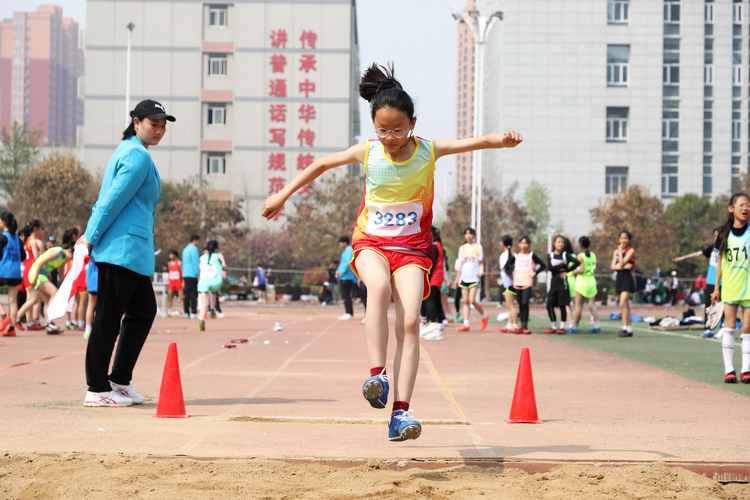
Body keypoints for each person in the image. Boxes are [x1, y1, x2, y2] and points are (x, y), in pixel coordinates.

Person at [261, 62, 522, 441]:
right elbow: (320, 164)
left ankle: (401, 413)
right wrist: (282, 195)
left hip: (414, 250)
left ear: (412, 124)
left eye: (398, 129)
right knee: (378, 290)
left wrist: (503, 139)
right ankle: (376, 376)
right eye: (382, 130)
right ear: (374, 127)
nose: (390, 137)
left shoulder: (429, 151)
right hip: (371, 242)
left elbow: (474, 142)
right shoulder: (368, 151)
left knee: (411, 321)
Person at [77, 98, 173, 407]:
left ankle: (119, 380)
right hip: (122, 250)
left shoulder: (133, 152)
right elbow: (112, 200)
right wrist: (89, 237)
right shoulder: (136, 156)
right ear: (136, 122)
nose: (158, 131)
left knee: (144, 311)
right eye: (152, 124)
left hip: (132, 252)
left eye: (162, 126)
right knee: (108, 319)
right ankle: (96, 387)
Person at [711, 193, 750, 384]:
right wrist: (716, 288)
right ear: (731, 208)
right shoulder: (723, 234)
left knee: (748, 327)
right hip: (731, 287)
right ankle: (729, 371)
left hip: (749, 286)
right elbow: (719, 262)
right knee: (730, 327)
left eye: (748, 205)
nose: (746, 208)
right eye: (742, 205)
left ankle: (746, 370)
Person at [672, 227, 722, 338]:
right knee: (709, 306)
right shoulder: (713, 248)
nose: (715, 238)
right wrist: (683, 257)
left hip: (724, 282)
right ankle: (709, 329)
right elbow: (698, 254)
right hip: (711, 281)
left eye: (717, 235)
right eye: (714, 236)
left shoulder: (729, 248)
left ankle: (723, 328)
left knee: (724, 306)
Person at [20, 244, 74, 334]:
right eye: (72, 256)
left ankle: (49, 326)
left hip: (42, 275)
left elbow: (60, 273)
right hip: (37, 274)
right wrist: (34, 278)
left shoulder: (64, 258)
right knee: (54, 293)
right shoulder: (57, 253)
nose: (71, 259)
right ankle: (48, 322)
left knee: (47, 300)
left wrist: (64, 287)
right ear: (69, 251)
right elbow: (40, 262)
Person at [508, 236, 545, 334]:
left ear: (529, 245)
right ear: (519, 244)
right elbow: (508, 264)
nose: (524, 245)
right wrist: (513, 270)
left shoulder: (531, 255)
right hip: (517, 282)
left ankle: (525, 326)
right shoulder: (516, 255)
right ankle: (521, 326)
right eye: (522, 243)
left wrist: (535, 273)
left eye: (526, 243)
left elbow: (543, 264)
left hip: (527, 282)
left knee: (525, 303)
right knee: (520, 303)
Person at [454, 227, 488, 332]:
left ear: (473, 235)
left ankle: (484, 315)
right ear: (464, 236)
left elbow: (481, 263)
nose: (468, 236)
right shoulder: (462, 248)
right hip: (464, 277)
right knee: (465, 301)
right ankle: (466, 324)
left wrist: (481, 271)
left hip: (474, 277)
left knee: (472, 300)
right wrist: (457, 279)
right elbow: (461, 265)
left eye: (470, 234)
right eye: (466, 234)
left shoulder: (478, 247)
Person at [543, 235, 579, 334]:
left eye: (562, 242)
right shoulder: (550, 255)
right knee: (549, 304)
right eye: (558, 242)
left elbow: (577, 262)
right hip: (554, 284)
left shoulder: (565, 255)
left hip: (563, 284)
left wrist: (567, 271)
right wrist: (562, 266)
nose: (561, 244)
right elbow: (550, 268)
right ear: (554, 243)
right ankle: (553, 326)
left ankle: (562, 327)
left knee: (563, 305)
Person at [570, 236, 600, 333]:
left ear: (579, 244)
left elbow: (581, 270)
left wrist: (574, 272)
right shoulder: (593, 255)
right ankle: (597, 325)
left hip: (582, 282)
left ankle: (575, 327)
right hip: (591, 281)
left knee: (578, 306)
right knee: (592, 305)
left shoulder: (580, 256)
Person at [0, 212, 23, 337]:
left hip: (3, 270)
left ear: (3, 222)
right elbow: (23, 256)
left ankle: (4, 316)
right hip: (16, 272)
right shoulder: (17, 239)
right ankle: (11, 329)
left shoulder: (2, 237)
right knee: (12, 301)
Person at [422, 226, 446, 340]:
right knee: (436, 301)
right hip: (438, 277)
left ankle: (433, 326)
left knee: (429, 300)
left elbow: (432, 264)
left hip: (434, 277)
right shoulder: (439, 246)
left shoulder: (434, 247)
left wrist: (427, 278)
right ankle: (440, 324)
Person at [19, 220, 44, 330]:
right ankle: (18, 317)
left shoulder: (28, 241)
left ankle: (29, 322)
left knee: (30, 297)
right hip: (31, 269)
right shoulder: (33, 241)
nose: (41, 230)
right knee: (34, 298)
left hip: (27, 269)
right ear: (35, 229)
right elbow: (36, 258)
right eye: (40, 228)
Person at [612, 230, 636, 337]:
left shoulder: (631, 251)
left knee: (623, 302)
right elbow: (613, 266)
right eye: (621, 238)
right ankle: (627, 329)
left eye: (625, 238)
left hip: (627, 278)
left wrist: (621, 252)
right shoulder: (615, 251)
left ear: (629, 240)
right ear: (618, 239)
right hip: (619, 277)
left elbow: (621, 262)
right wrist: (621, 266)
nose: (623, 240)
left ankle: (626, 328)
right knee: (624, 305)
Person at [197, 241, 226, 331]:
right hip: (215, 281)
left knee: (204, 304)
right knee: (213, 291)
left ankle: (202, 320)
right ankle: (212, 309)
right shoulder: (218, 255)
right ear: (216, 248)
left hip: (203, 282)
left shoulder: (202, 257)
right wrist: (223, 269)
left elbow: (200, 268)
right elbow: (224, 265)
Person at [498, 235, 518, 333]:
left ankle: (515, 325)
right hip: (511, 282)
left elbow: (506, 269)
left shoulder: (504, 255)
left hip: (509, 283)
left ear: (503, 244)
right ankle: (509, 324)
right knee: (509, 305)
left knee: (510, 305)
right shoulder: (515, 254)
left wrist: (512, 279)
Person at [335, 236, 356, 320]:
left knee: (346, 295)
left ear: (344, 242)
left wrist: (340, 272)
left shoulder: (349, 250)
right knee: (344, 295)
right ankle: (347, 312)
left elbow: (347, 263)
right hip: (344, 277)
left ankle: (349, 313)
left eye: (340, 243)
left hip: (347, 277)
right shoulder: (346, 251)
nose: (340, 245)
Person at [182, 235, 200, 318]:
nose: (198, 243)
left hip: (185, 274)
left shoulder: (185, 249)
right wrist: (198, 273)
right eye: (198, 241)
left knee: (187, 293)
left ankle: (186, 311)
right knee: (193, 293)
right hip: (192, 274)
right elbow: (195, 262)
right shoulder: (194, 249)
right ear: (194, 240)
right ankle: (193, 311)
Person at [84, 260, 98, 340]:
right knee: (101, 305)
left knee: (90, 305)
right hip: (100, 281)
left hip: (91, 283)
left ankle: (88, 330)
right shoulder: (100, 256)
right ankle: (98, 329)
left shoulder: (88, 257)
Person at [167, 250, 183, 317]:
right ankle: (169, 311)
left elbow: (182, 272)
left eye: (172, 254)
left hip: (178, 282)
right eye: (169, 254)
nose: (170, 256)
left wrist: (183, 282)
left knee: (181, 297)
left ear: (175, 255)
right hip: (171, 282)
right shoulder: (169, 263)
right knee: (169, 297)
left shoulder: (179, 263)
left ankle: (184, 311)